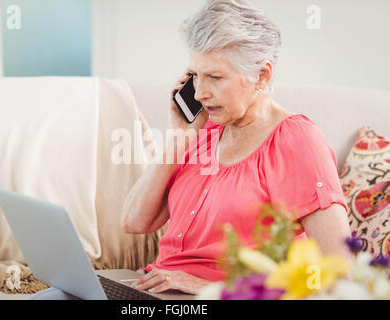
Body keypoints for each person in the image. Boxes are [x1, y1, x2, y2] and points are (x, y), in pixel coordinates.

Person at [121, 0, 351, 295]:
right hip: (154, 288)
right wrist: (180, 136)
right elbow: (134, 221)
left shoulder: (296, 140)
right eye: (195, 75)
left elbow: (338, 275)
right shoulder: (203, 128)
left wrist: (209, 287)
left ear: (262, 75)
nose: (201, 93)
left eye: (215, 77)